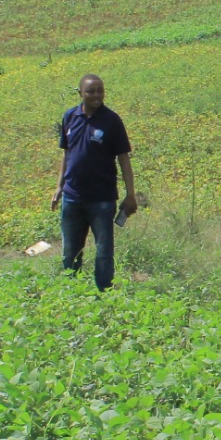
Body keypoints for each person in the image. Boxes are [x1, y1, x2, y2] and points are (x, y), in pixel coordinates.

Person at [51, 73, 137, 290]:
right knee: (70, 250)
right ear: (81, 93)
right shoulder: (70, 117)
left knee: (104, 251)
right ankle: (72, 290)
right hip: (72, 197)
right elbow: (66, 153)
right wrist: (59, 186)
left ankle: (104, 293)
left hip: (102, 199)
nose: (96, 95)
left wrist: (130, 194)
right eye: (91, 91)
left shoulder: (112, 120)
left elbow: (123, 158)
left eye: (100, 90)